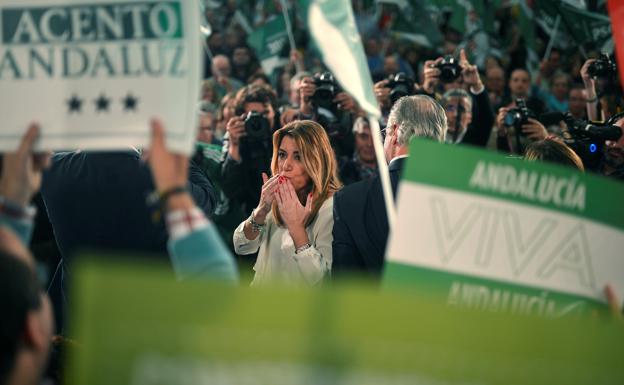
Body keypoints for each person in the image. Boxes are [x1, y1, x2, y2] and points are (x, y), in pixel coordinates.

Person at [332, 95, 447, 279]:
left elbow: (344, 286)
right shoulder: (461, 195)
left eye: (384, 132)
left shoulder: (348, 200)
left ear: (394, 131)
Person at [233, 120, 341, 286]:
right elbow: (242, 246)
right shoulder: (279, 196)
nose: (285, 165)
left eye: (298, 157)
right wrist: (261, 210)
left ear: (317, 161)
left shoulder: (333, 208)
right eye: (282, 154)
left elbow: (324, 283)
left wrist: (297, 229)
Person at [221, 84, 279, 217]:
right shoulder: (236, 136)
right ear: (242, 117)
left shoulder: (284, 131)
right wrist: (234, 146)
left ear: (275, 111)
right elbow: (230, 190)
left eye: (265, 114)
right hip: (253, 213)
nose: (260, 120)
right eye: (254, 115)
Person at [338, 117, 377, 185]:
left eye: (375, 137)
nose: (370, 144)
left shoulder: (391, 170)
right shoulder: (341, 170)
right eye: (363, 137)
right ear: (354, 138)